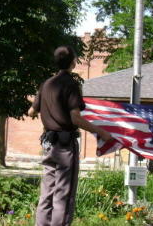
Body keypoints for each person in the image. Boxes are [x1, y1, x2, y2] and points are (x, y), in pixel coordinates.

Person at [28, 46, 113, 226]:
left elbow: (30, 112)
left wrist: (44, 109)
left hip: (48, 145)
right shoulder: (70, 84)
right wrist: (101, 131)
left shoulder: (46, 84)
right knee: (63, 195)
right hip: (65, 146)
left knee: (47, 192)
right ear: (73, 62)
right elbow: (76, 117)